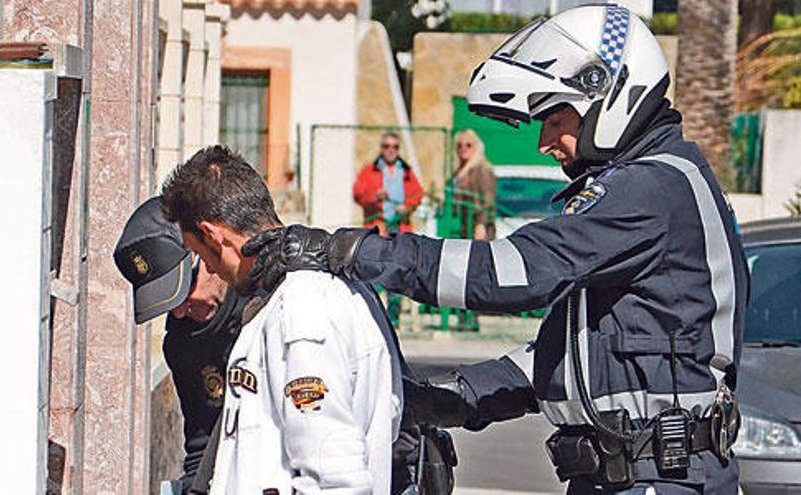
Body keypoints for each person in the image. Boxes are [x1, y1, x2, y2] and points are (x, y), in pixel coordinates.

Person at [242, 5, 748, 494]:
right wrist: (458, 399)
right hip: (638, 473)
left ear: (607, 94)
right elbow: (569, 355)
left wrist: (351, 251)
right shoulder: (656, 182)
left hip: (661, 476)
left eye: (554, 119)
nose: (545, 142)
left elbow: (509, 273)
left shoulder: (650, 189)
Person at [160, 146, 406, 494]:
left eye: (201, 255)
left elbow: (334, 478)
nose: (211, 269)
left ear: (214, 235)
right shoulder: (293, 296)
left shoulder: (303, 309)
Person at [113, 197, 244, 493]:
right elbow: (202, 445)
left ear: (205, 249)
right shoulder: (182, 344)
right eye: (168, 305)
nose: (180, 313)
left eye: (183, 294)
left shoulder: (273, 300)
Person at [353, 132, 424, 328]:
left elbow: (418, 194)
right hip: (378, 226)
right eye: (386, 146)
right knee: (374, 272)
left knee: (397, 273)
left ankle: (394, 318)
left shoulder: (406, 171)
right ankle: (371, 316)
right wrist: (374, 196)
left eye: (394, 147)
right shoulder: (371, 170)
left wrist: (407, 206)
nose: (390, 150)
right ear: (381, 148)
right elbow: (358, 193)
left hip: (400, 227)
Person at [452, 129, 496, 241]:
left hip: (478, 227)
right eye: (459, 145)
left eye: (468, 145)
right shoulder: (460, 171)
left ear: (476, 147)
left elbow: (488, 199)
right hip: (464, 225)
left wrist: (481, 224)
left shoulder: (482, 169)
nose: (463, 149)